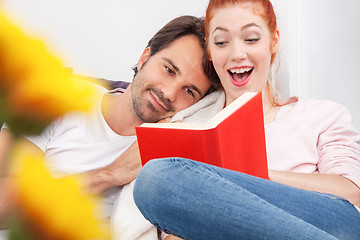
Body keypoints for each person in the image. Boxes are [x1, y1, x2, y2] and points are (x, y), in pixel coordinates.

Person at [133, 1, 360, 239]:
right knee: (154, 179)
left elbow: (351, 194)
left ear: (273, 41)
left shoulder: (320, 114)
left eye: (251, 39)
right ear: (210, 51)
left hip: (330, 225)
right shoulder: (187, 127)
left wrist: (244, 174)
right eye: (221, 42)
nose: (237, 54)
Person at [0, 15, 216, 229]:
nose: (169, 93)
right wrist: (109, 174)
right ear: (145, 58)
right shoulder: (59, 99)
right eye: (169, 70)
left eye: (189, 91)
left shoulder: (173, 157)